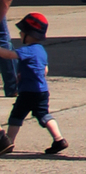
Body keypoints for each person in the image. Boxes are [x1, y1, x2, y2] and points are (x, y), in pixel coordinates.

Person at [0, 11, 66, 155]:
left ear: (30, 34)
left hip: (28, 91)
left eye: (22, 32)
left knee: (16, 115)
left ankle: (8, 142)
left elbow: (10, 55)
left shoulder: (27, 50)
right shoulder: (41, 50)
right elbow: (45, 70)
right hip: (42, 91)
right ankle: (59, 138)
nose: (20, 35)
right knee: (43, 115)